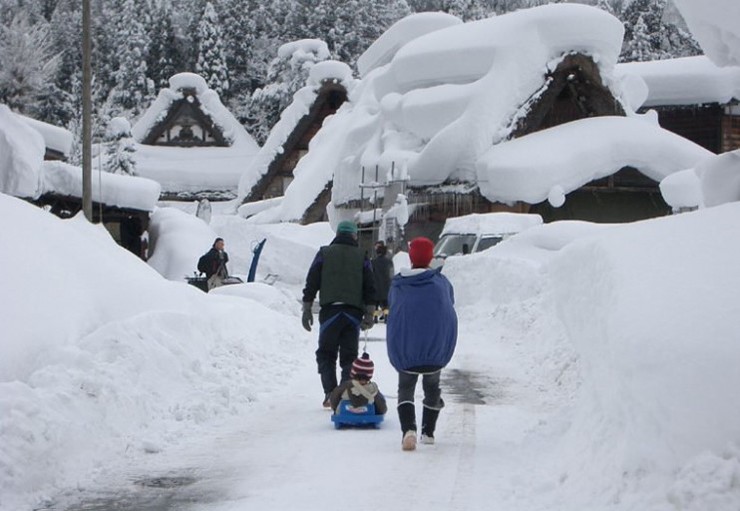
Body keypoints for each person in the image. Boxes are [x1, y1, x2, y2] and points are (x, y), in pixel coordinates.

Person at [386, 237, 458, 451]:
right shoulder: (441, 284)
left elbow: (393, 307)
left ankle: (409, 430)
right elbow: (449, 306)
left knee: (405, 388)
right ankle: (428, 431)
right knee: (432, 387)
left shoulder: (399, 285)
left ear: (411, 257)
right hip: (434, 351)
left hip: (407, 352)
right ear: (430, 257)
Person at [302, 220, 377, 408]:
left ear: (337, 234)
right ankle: (344, 393)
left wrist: (307, 307)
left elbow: (312, 280)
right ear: (354, 235)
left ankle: (329, 393)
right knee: (349, 356)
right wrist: (369, 312)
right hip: (353, 313)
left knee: (326, 354)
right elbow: (370, 285)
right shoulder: (362, 256)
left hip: (330, 312)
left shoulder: (324, 253)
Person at [371, 240, 394, 322]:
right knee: (386, 304)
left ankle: (375, 318)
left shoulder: (373, 262)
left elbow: (371, 274)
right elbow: (391, 274)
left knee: (376, 304)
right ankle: (386, 317)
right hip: (386, 286)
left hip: (376, 285)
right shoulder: (389, 262)